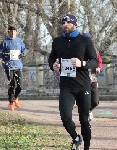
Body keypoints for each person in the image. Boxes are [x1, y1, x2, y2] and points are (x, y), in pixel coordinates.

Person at [48, 14, 98, 150]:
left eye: (68, 22)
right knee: (65, 117)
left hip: (83, 86)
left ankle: (86, 147)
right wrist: (53, 65)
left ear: (75, 24)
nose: (65, 24)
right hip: (66, 87)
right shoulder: (57, 41)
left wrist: (81, 63)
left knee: (84, 119)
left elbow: (95, 61)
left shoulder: (85, 41)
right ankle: (76, 137)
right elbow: (51, 58)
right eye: (63, 22)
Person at [0, 26, 26, 111]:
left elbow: (24, 50)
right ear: (8, 32)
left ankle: (16, 98)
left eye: (14, 31)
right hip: (9, 67)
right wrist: (6, 53)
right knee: (12, 85)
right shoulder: (4, 42)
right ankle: (10, 103)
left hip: (18, 66)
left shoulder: (19, 41)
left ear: (16, 32)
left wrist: (22, 54)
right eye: (11, 32)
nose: (13, 33)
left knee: (20, 86)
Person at [83, 33, 103, 121]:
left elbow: (99, 61)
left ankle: (89, 110)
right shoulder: (78, 50)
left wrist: (99, 67)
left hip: (93, 78)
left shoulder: (95, 51)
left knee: (95, 101)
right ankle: (85, 114)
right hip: (82, 79)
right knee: (84, 99)